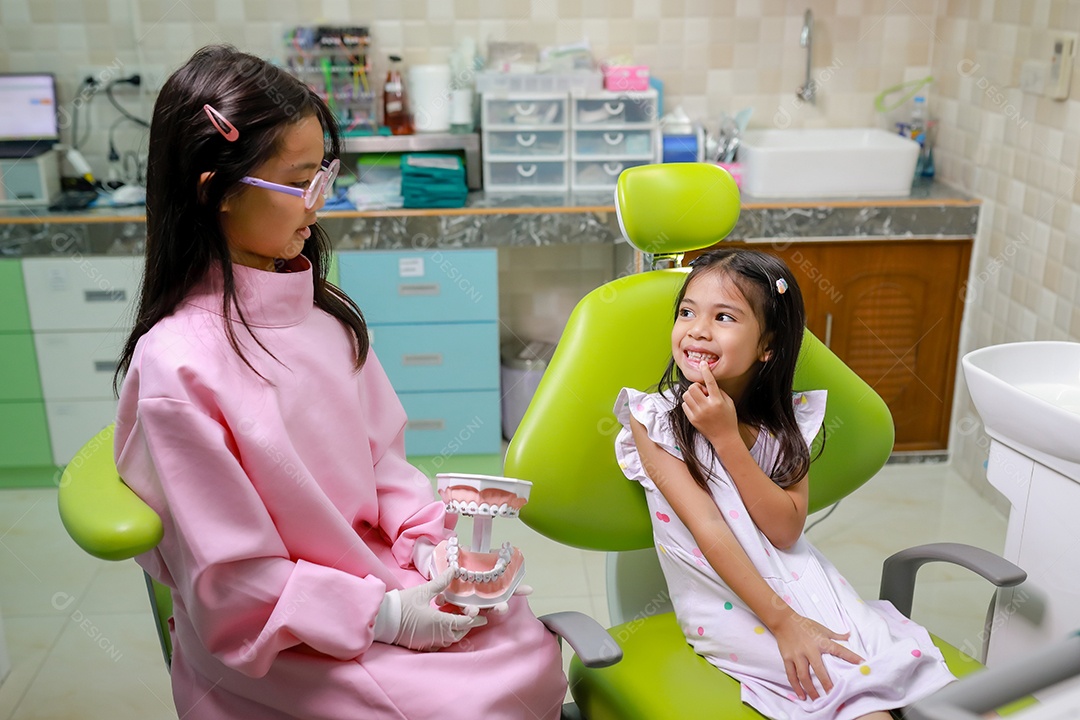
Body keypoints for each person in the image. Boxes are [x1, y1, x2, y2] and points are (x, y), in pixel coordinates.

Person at [112, 45, 566, 720]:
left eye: (322, 176)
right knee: (477, 702)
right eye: (299, 184)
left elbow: (384, 466)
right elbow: (232, 583)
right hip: (284, 633)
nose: (317, 205)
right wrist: (382, 615)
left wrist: (431, 543)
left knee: (529, 651)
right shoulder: (179, 366)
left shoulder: (323, 319)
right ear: (215, 192)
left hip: (371, 575)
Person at [613, 248, 955, 720]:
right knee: (853, 698)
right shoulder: (652, 421)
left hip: (807, 582)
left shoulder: (782, 424)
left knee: (921, 686)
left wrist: (727, 438)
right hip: (728, 605)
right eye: (687, 312)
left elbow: (785, 531)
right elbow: (709, 530)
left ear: (766, 346)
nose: (697, 329)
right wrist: (784, 623)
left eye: (724, 317)